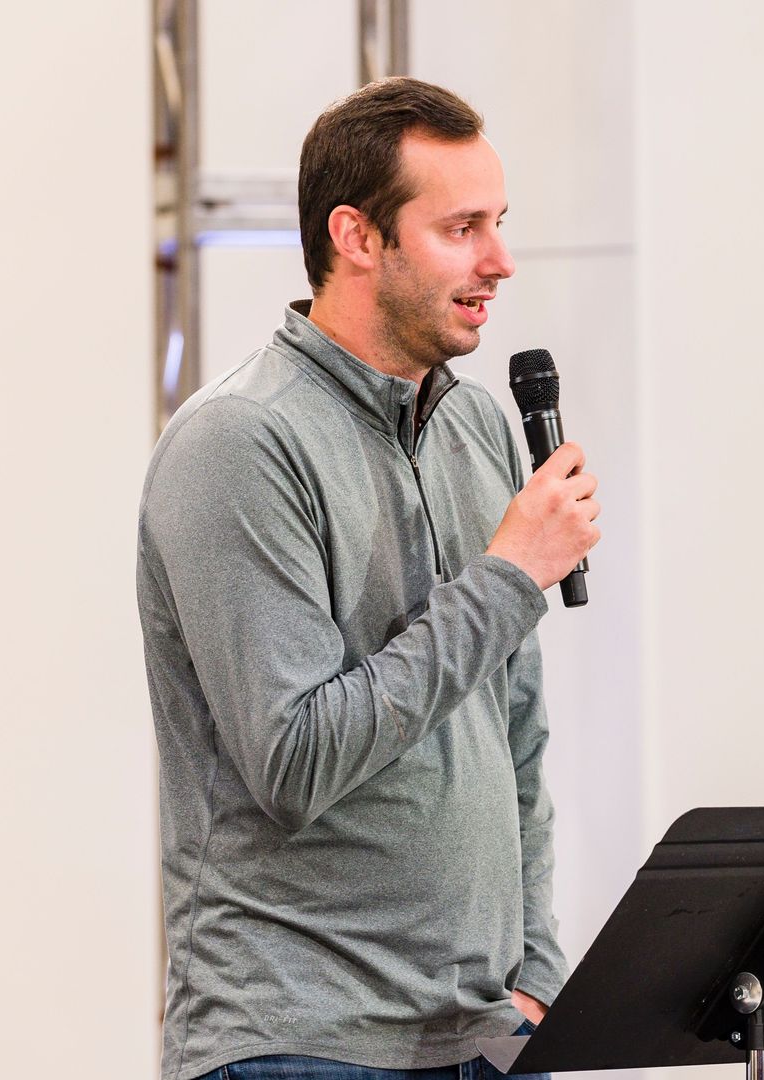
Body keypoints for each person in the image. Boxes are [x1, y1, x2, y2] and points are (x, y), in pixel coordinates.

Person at [137, 77, 600, 1080]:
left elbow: (513, 728)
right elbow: (295, 760)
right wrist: (508, 576)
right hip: (299, 1041)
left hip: (482, 1033)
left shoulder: (475, 424)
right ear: (355, 236)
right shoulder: (240, 443)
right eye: (462, 229)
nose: (500, 261)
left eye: (499, 223)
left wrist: (535, 967)